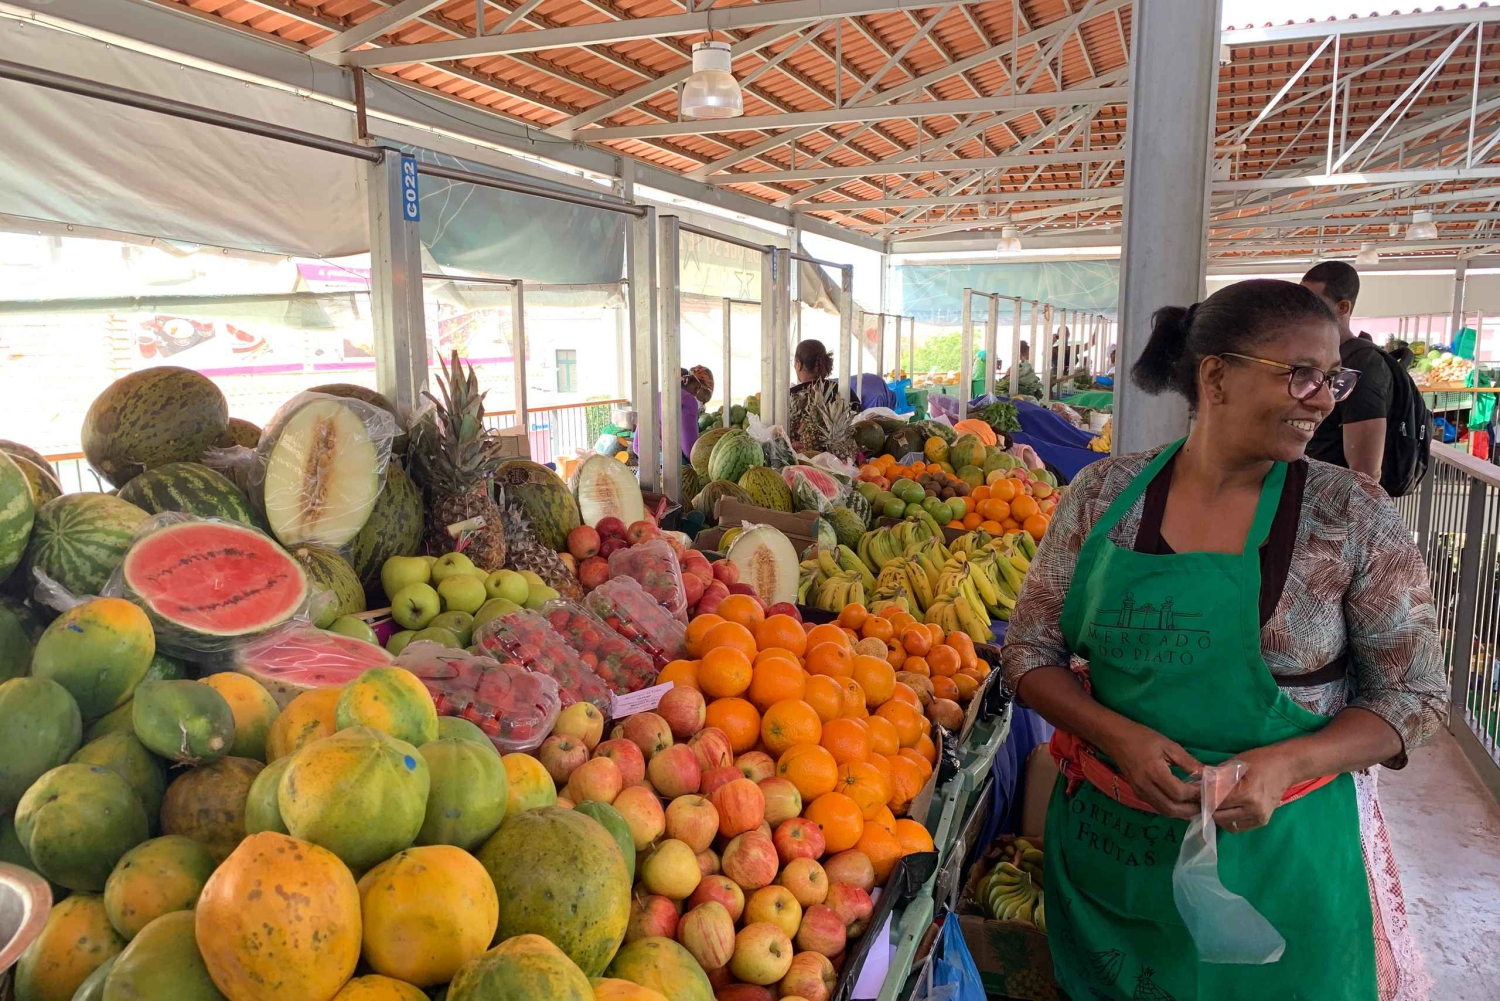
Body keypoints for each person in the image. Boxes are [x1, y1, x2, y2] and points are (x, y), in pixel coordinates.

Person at [1001, 279, 1444, 1001]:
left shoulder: (1352, 515)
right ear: (1216, 374)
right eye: (1300, 374)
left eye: (1335, 377)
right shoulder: (1102, 495)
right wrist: (1115, 734)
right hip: (1116, 855)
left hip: (1282, 860)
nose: (1325, 398)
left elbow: (1417, 694)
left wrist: (1287, 760)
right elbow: (1028, 652)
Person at [1300, 261, 1393, 480]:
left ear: (1342, 307)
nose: (1303, 310)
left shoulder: (1363, 366)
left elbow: (1366, 472)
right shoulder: (1314, 356)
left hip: (1330, 500)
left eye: (1314, 303)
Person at [632, 365, 713, 460]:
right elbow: (690, 451)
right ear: (696, 387)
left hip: (645, 468)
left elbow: (636, 446)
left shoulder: (657, 396)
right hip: (670, 471)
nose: (701, 404)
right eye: (703, 399)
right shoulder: (688, 400)